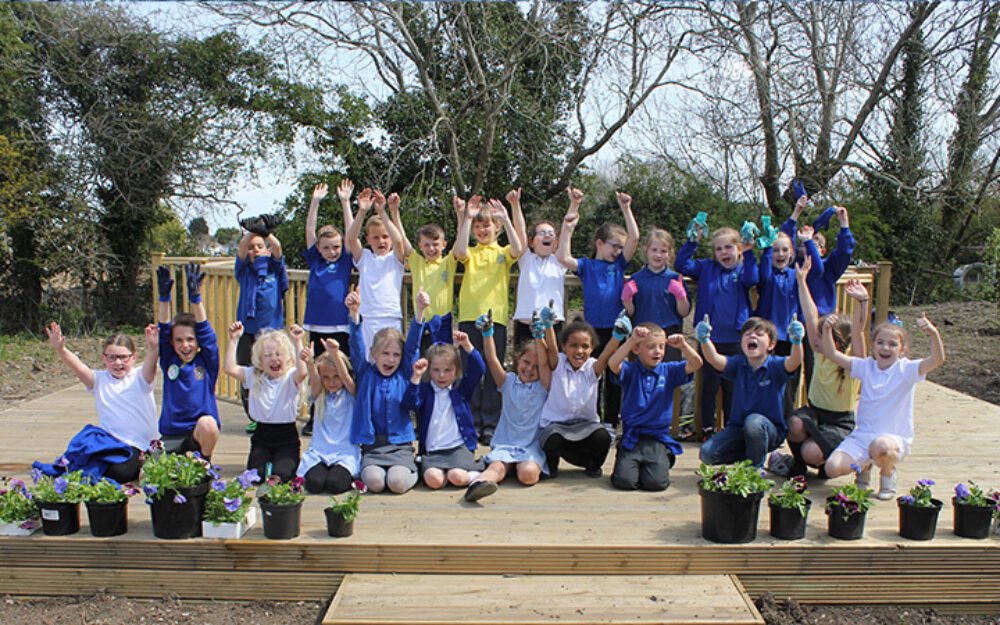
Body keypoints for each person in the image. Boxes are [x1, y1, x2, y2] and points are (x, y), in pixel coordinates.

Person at [822, 312, 945, 500]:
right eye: (880, 342)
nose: (885, 348)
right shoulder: (866, 366)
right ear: (873, 346)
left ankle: (888, 474)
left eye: (893, 344)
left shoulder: (907, 369)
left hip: (892, 440)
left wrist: (933, 333)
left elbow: (937, 360)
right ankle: (864, 467)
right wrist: (826, 329)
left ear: (903, 349)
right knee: (831, 468)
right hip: (863, 436)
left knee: (881, 446)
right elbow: (831, 353)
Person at [769, 255, 867, 478]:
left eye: (823, 336)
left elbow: (858, 330)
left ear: (839, 342)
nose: (816, 340)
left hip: (840, 421)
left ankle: (825, 465)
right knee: (793, 423)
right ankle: (798, 466)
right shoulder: (820, 352)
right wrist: (802, 282)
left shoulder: (853, 363)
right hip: (815, 411)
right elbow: (811, 313)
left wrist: (863, 302)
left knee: (810, 451)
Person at [556, 189, 640, 431]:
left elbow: (634, 238)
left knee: (614, 378)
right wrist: (571, 217)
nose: (617, 251)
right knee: (591, 377)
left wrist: (626, 208)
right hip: (592, 332)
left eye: (620, 248)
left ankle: (611, 422)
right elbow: (563, 257)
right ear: (599, 243)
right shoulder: (588, 266)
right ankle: (590, 419)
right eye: (614, 246)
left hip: (616, 331)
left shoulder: (620, 264)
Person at [42, 322, 159, 482]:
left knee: (120, 471)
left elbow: (151, 363)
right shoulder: (98, 380)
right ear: (104, 358)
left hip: (140, 445)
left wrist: (153, 347)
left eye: (123, 357)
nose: (118, 363)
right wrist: (61, 350)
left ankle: (146, 465)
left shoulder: (141, 377)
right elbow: (77, 366)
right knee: (84, 463)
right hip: (111, 445)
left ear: (134, 357)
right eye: (112, 358)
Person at [675, 220, 758, 439]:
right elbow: (681, 265)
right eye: (719, 248)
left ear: (738, 249)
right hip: (708, 338)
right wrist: (692, 241)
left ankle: (731, 427)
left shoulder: (742, 270)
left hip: (736, 338)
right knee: (709, 386)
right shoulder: (706, 268)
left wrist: (749, 254)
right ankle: (708, 428)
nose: (724, 252)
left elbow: (752, 279)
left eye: (729, 247)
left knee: (732, 387)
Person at [453, 194, 525, 445]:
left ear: (496, 228)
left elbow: (519, 249)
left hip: (496, 320)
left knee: (494, 372)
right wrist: (467, 217)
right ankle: (471, 422)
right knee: (471, 370)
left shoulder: (503, 253)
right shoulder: (470, 252)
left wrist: (505, 218)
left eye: (487, 225)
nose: (483, 229)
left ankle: (491, 424)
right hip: (468, 318)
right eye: (478, 226)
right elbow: (459, 251)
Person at [347, 286, 427, 494]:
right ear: (373, 352)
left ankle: (414, 467)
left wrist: (419, 312)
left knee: (397, 484)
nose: (390, 359)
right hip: (372, 447)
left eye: (395, 355)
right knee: (375, 482)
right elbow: (356, 346)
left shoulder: (402, 373)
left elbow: (412, 346)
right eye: (385, 353)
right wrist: (354, 314)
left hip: (400, 446)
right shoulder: (365, 373)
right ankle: (369, 470)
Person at [696, 315, 803, 468]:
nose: (752, 336)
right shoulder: (738, 364)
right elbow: (715, 359)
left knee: (753, 422)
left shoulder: (775, 366)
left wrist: (797, 341)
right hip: (738, 430)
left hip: (769, 431)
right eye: (747, 334)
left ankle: (755, 470)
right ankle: (751, 457)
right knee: (707, 453)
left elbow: (794, 361)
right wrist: (704, 340)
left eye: (759, 334)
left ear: (771, 345)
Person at [464, 318, 550, 502]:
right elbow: (492, 359)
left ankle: (513, 469)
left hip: (530, 447)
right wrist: (488, 335)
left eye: (535, 367)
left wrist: (539, 337)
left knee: (527, 475)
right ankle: (477, 486)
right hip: (506, 443)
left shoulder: (543, 386)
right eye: (526, 362)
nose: (529, 369)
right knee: (495, 469)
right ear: (518, 358)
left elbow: (544, 364)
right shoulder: (508, 382)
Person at [607, 323, 701, 491]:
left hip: (657, 437)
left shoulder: (669, 370)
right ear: (636, 350)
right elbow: (613, 364)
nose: (657, 351)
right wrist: (631, 340)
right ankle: (627, 459)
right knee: (624, 482)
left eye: (661, 346)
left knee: (655, 484)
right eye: (651, 347)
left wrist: (683, 345)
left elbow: (696, 364)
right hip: (632, 436)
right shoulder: (631, 369)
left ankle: (664, 457)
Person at [537, 313, 629, 478]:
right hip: (558, 428)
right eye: (573, 345)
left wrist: (617, 336)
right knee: (552, 439)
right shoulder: (558, 364)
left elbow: (605, 356)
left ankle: (593, 465)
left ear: (592, 348)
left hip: (585, 428)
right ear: (564, 346)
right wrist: (548, 326)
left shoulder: (591, 368)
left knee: (603, 436)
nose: (579, 351)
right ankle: (551, 465)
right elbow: (551, 348)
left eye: (585, 346)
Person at [301, 180, 355, 436]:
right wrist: (315, 202)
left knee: (342, 370)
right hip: (317, 326)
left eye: (335, 246)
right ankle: (316, 416)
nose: (332, 251)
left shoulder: (345, 259)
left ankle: (344, 414)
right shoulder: (315, 260)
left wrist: (346, 202)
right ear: (319, 248)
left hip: (341, 325)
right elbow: (310, 230)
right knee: (320, 372)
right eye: (326, 247)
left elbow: (350, 231)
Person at [223, 323, 307, 483]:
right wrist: (233, 340)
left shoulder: (290, 377)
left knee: (282, 475)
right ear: (260, 360)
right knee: (256, 475)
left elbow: (302, 372)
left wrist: (298, 342)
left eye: (278, 354)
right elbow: (229, 368)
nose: (274, 359)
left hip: (286, 435)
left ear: (288, 357)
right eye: (268, 355)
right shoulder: (254, 376)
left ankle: (280, 466)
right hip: (262, 434)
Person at [404, 331, 485, 490]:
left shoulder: (461, 388)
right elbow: (409, 404)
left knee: (458, 476)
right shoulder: (425, 389)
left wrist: (467, 346)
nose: (441, 375)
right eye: (436, 370)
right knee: (433, 480)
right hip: (434, 450)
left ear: (456, 370)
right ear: (429, 369)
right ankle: (447, 477)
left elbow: (479, 368)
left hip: (458, 447)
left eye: (448, 370)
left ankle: (477, 473)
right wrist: (416, 377)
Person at [156, 263, 221, 459]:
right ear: (172, 343)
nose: (185, 345)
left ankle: (205, 461)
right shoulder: (169, 360)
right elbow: (163, 331)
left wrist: (196, 299)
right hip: (171, 433)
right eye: (179, 340)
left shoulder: (207, 362)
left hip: (197, 433)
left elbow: (207, 335)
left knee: (208, 424)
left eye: (190, 339)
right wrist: (164, 299)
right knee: (147, 477)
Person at [235, 220, 289, 432]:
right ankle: (253, 416)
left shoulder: (275, 269)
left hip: (271, 333)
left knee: (272, 373)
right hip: (247, 331)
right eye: (251, 247)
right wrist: (251, 233)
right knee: (248, 373)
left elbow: (277, 248)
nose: (255, 250)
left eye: (259, 246)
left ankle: (271, 413)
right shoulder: (244, 270)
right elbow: (241, 247)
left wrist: (265, 233)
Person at [390, 194, 462, 347]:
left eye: (435, 244)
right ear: (420, 245)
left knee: (443, 363)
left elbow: (460, 239)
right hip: (421, 320)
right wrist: (394, 212)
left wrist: (460, 214)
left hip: (442, 322)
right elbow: (402, 239)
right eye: (427, 245)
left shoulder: (448, 262)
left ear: (443, 244)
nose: (431, 249)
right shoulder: (417, 262)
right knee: (420, 362)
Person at [344, 187, 408, 355]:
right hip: (368, 318)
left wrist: (383, 212)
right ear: (368, 240)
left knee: (392, 361)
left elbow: (399, 240)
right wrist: (362, 211)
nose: (381, 241)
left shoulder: (395, 259)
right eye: (376, 237)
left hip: (391, 317)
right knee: (369, 361)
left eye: (385, 237)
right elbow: (351, 239)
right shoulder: (364, 258)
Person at [754, 230, 808, 417]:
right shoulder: (767, 276)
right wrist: (767, 248)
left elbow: (816, 269)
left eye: (785, 250)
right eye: (776, 250)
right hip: (766, 336)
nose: (780, 254)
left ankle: (784, 423)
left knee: (788, 384)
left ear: (792, 253)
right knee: (764, 380)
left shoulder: (796, 275)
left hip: (789, 336)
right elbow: (764, 275)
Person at [297, 339, 359, 494]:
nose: (331, 382)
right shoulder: (320, 395)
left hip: (345, 452)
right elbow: (315, 379)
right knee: (314, 483)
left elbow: (345, 378)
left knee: (335, 484)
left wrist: (335, 354)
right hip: (320, 451)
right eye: (326, 377)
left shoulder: (350, 393)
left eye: (335, 376)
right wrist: (310, 363)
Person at [509, 187, 567, 347]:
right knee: (525, 366)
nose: (547, 235)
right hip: (526, 323)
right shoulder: (526, 259)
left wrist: (574, 204)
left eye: (551, 233)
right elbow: (520, 230)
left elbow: (568, 230)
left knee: (552, 367)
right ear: (532, 241)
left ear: (556, 243)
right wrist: (515, 205)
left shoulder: (559, 262)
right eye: (541, 233)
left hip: (552, 325)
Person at [621, 228, 690, 361]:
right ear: (646, 250)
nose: (658, 255)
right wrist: (627, 299)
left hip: (669, 336)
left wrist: (681, 296)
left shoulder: (675, 278)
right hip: (642, 334)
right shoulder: (636, 279)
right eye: (654, 250)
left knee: (669, 376)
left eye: (663, 251)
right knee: (640, 377)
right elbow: (630, 312)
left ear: (669, 254)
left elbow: (684, 312)